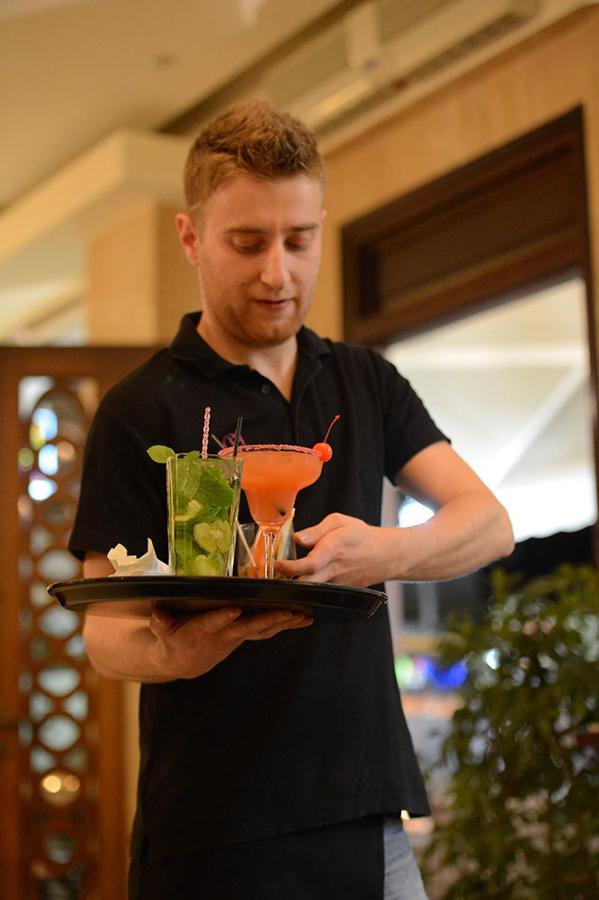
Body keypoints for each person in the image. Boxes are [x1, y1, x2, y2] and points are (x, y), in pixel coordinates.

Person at [70, 100, 514, 900]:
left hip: (366, 813)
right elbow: (105, 634)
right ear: (190, 238)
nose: (277, 273)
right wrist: (176, 653)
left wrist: (383, 551)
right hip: (208, 831)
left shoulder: (365, 382)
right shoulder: (141, 408)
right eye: (247, 243)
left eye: (298, 240)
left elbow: (488, 524)